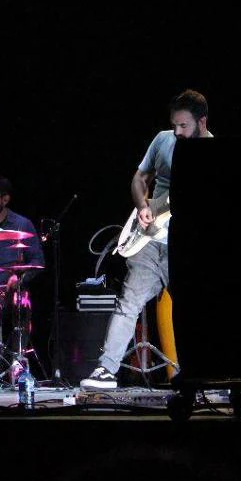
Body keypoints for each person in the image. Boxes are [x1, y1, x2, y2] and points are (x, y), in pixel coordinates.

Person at [81, 89, 213, 390]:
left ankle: (202, 370)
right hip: (150, 240)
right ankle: (106, 369)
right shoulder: (163, 139)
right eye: (175, 124)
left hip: (186, 243)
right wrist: (142, 206)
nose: (177, 132)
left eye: (184, 126)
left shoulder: (211, 153)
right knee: (128, 302)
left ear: (201, 122)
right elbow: (140, 179)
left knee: (195, 308)